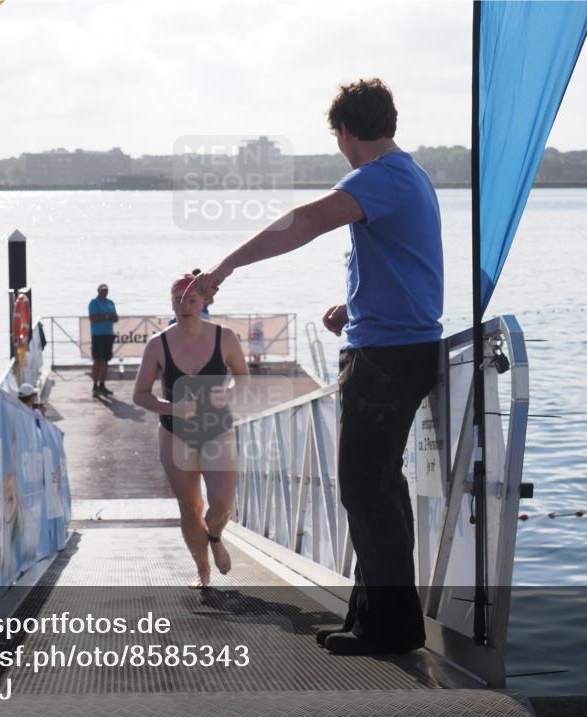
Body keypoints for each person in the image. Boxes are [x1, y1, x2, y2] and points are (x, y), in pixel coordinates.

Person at [188, 78, 443, 654]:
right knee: (378, 487)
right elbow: (414, 262)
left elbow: (302, 222)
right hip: (396, 344)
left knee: (365, 487)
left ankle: (391, 629)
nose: (340, 148)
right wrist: (355, 305)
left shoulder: (379, 177)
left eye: (338, 137)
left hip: (386, 357)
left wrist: (223, 269)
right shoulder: (411, 177)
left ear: (346, 132)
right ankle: (376, 617)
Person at [133, 274, 249, 588]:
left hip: (217, 431)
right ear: (170, 303)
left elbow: (243, 376)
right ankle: (203, 573)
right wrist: (173, 408)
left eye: (191, 300)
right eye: (178, 300)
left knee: (222, 502)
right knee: (191, 506)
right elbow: (139, 394)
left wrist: (229, 394)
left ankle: (215, 537)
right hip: (175, 434)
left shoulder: (224, 337)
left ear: (204, 302)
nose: (184, 306)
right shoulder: (158, 345)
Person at [88, 283, 118, 396]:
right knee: (97, 360)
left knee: (105, 360)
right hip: (97, 335)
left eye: (106, 290)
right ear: (98, 290)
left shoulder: (110, 303)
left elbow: (116, 318)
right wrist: (107, 317)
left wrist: (105, 317)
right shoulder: (94, 302)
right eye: (102, 290)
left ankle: (102, 385)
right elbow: (93, 318)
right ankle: (95, 385)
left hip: (108, 334)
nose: (105, 292)